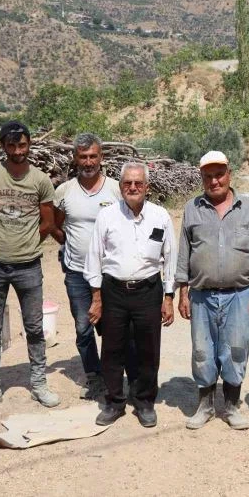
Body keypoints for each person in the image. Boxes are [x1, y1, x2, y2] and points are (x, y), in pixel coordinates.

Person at [0, 120, 59, 412]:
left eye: (22, 144)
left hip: (28, 266)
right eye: (12, 145)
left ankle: (39, 384)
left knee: (34, 326)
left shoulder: (41, 180)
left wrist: (28, 241)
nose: (18, 150)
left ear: (29, 145)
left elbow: (48, 223)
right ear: (3, 146)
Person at [176, 151, 249, 431]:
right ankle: (205, 406)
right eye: (208, 176)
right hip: (201, 295)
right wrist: (182, 291)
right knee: (203, 350)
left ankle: (230, 407)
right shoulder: (192, 208)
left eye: (219, 174)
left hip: (240, 294)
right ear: (202, 178)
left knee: (236, 350)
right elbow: (184, 252)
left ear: (229, 174)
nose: (214, 181)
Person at [84, 162, 176, 428]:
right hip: (114, 291)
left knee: (148, 349)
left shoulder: (160, 216)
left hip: (149, 290)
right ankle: (114, 402)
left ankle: (145, 401)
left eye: (138, 183)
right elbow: (94, 258)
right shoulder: (107, 216)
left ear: (147, 187)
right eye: (127, 183)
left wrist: (168, 297)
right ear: (121, 186)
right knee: (113, 349)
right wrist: (97, 298)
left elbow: (169, 257)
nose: (133, 187)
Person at [51, 133, 138, 400]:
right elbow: (55, 224)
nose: (88, 162)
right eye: (83, 157)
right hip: (77, 272)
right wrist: (72, 246)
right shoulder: (64, 191)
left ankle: (127, 378)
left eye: (93, 156)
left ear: (101, 158)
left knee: (117, 327)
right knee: (83, 327)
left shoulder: (115, 189)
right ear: (75, 159)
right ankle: (95, 377)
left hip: (111, 273)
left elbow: (132, 221)